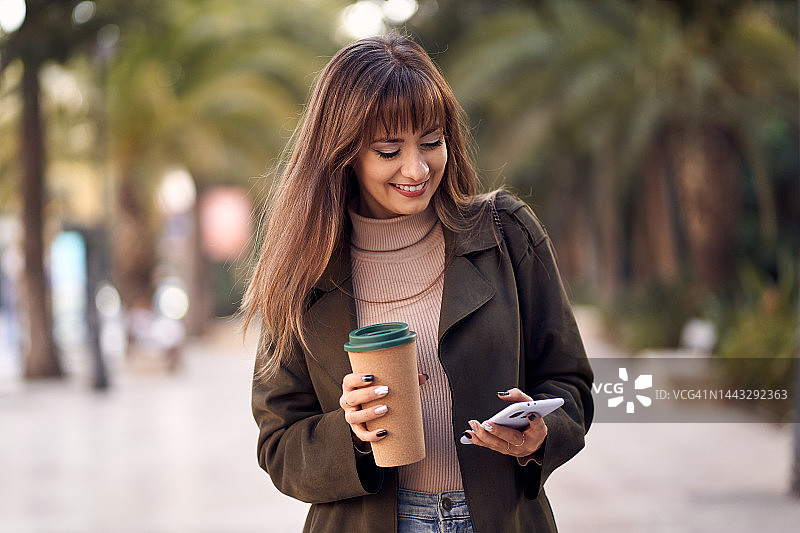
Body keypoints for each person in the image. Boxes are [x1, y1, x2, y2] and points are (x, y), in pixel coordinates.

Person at [243, 33, 593, 533]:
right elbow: (278, 446)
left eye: (431, 142)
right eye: (389, 150)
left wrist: (541, 434)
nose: (417, 168)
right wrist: (355, 433)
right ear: (344, 154)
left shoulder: (506, 233)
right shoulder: (303, 272)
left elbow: (570, 382)